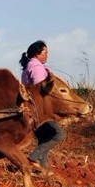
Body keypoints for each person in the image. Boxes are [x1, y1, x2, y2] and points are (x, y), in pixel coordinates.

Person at [19, 40, 66, 173]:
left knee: (44, 138)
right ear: (36, 54)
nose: (47, 55)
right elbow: (41, 88)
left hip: (31, 109)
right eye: (45, 52)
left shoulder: (29, 66)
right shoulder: (36, 66)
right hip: (40, 110)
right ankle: (33, 158)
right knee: (58, 134)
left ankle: (43, 169)